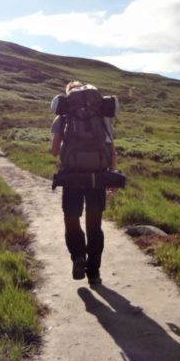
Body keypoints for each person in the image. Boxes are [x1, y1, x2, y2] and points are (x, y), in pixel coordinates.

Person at [50, 80, 117, 286]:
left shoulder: (62, 117)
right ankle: (94, 273)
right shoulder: (102, 117)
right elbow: (111, 148)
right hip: (97, 177)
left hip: (72, 177)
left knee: (72, 220)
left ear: (67, 98)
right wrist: (111, 174)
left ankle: (78, 256)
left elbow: (54, 150)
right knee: (94, 226)